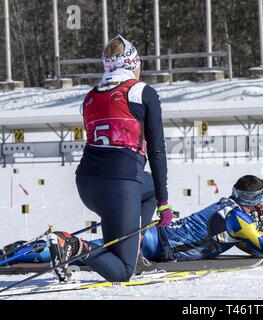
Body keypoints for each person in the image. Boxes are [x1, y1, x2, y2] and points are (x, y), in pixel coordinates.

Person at [46, 35, 173, 283]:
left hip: (88, 184)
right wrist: (165, 202)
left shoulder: (90, 96)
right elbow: (157, 150)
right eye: (139, 63)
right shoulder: (141, 91)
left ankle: (132, 251)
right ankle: (74, 245)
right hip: (120, 185)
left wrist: (157, 197)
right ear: (132, 63)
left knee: (148, 190)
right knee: (122, 272)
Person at [3, 175, 263, 268]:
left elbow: (254, 248)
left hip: (157, 240)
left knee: (88, 254)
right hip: (155, 244)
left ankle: (25, 251)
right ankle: (30, 251)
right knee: (85, 253)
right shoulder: (238, 218)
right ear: (254, 201)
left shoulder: (232, 211)